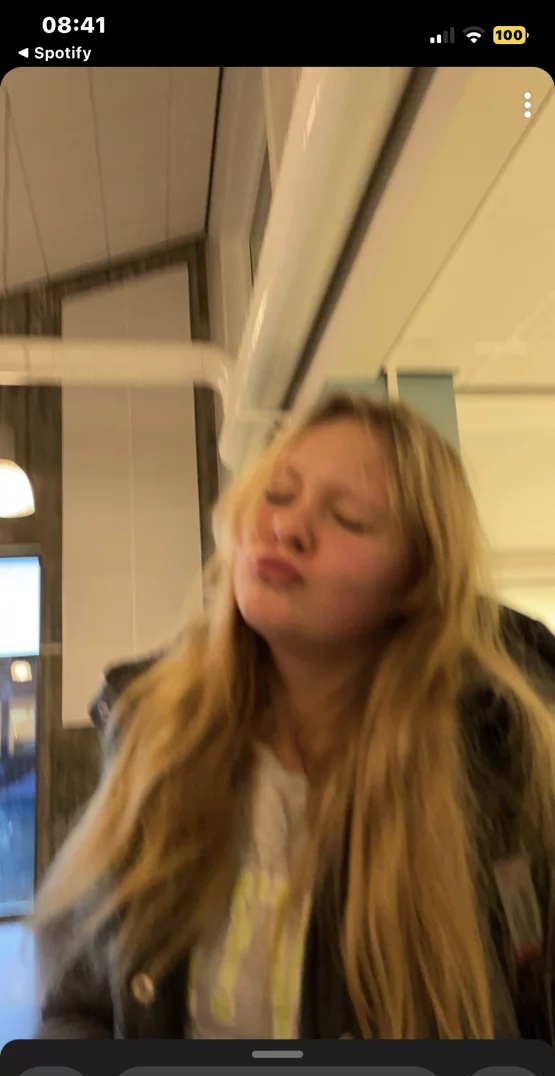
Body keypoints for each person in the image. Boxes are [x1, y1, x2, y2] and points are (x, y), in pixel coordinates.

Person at [30, 392, 555, 1041]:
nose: (287, 527)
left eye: (350, 519)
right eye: (276, 494)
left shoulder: (500, 766)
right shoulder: (156, 729)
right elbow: (81, 1004)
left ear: (413, 583)